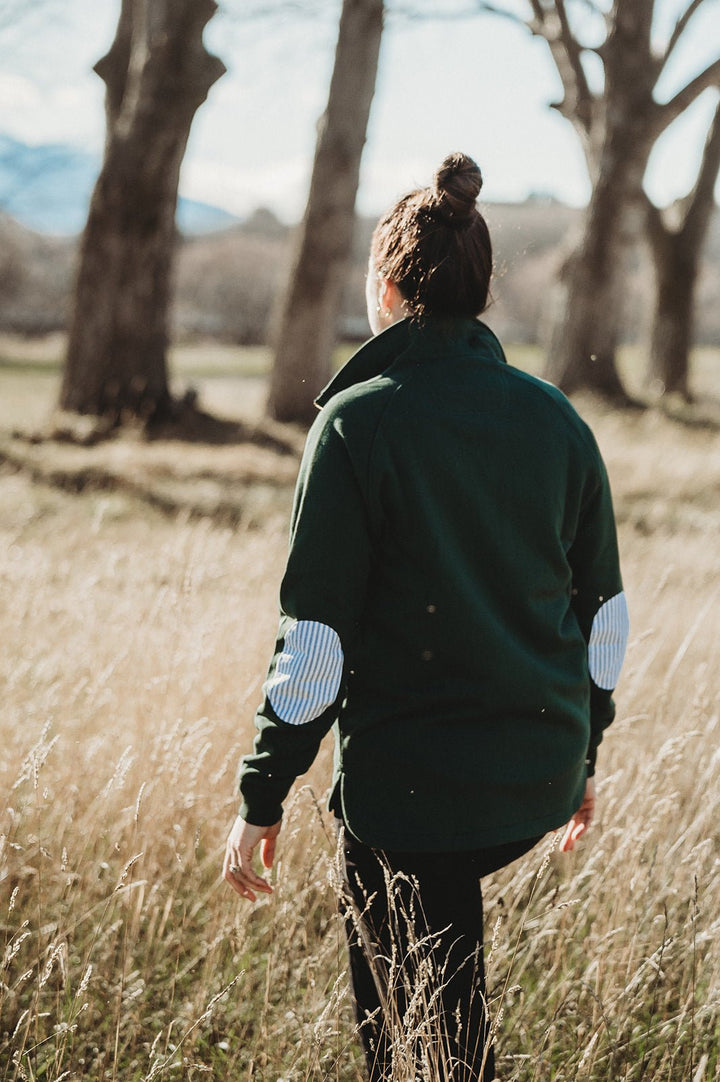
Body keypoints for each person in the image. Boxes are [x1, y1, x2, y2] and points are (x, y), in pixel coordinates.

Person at [223, 152, 629, 1081]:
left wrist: (262, 792)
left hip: (410, 798)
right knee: (445, 987)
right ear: (478, 292)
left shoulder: (359, 422)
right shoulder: (557, 418)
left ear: (390, 286)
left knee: (425, 1045)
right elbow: (604, 614)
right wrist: (585, 754)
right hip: (538, 778)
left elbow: (314, 643)